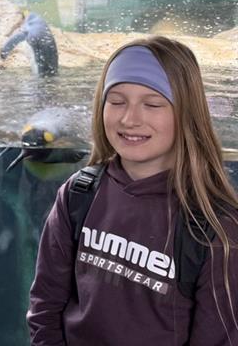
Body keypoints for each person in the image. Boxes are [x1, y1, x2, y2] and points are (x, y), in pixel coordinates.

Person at [28, 36, 238, 345]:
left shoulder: (214, 225)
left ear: (187, 113)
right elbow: (45, 309)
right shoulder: (79, 194)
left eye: (152, 104)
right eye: (116, 101)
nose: (129, 119)